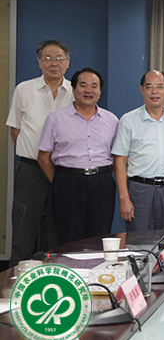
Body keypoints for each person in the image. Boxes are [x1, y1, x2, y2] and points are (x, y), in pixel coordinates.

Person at [6, 39, 73, 265]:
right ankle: (17, 279)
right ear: (39, 63)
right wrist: (32, 152)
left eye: (59, 59)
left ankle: (57, 275)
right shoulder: (24, 89)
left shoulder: (75, 91)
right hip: (30, 170)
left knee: (59, 229)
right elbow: (15, 129)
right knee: (23, 227)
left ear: (67, 63)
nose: (53, 63)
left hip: (63, 170)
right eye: (48, 58)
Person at [37, 68, 118, 244]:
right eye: (83, 85)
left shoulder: (112, 120)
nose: (89, 90)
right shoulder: (55, 119)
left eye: (94, 86)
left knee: (100, 236)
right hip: (68, 182)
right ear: (73, 89)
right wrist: (59, 181)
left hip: (102, 184)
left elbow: (117, 158)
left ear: (100, 91)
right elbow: (43, 157)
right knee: (69, 237)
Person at [112, 70, 164, 231]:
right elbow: (120, 162)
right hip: (139, 190)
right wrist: (124, 198)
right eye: (149, 87)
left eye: (160, 86)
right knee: (138, 240)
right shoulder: (128, 120)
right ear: (142, 90)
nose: (154, 91)